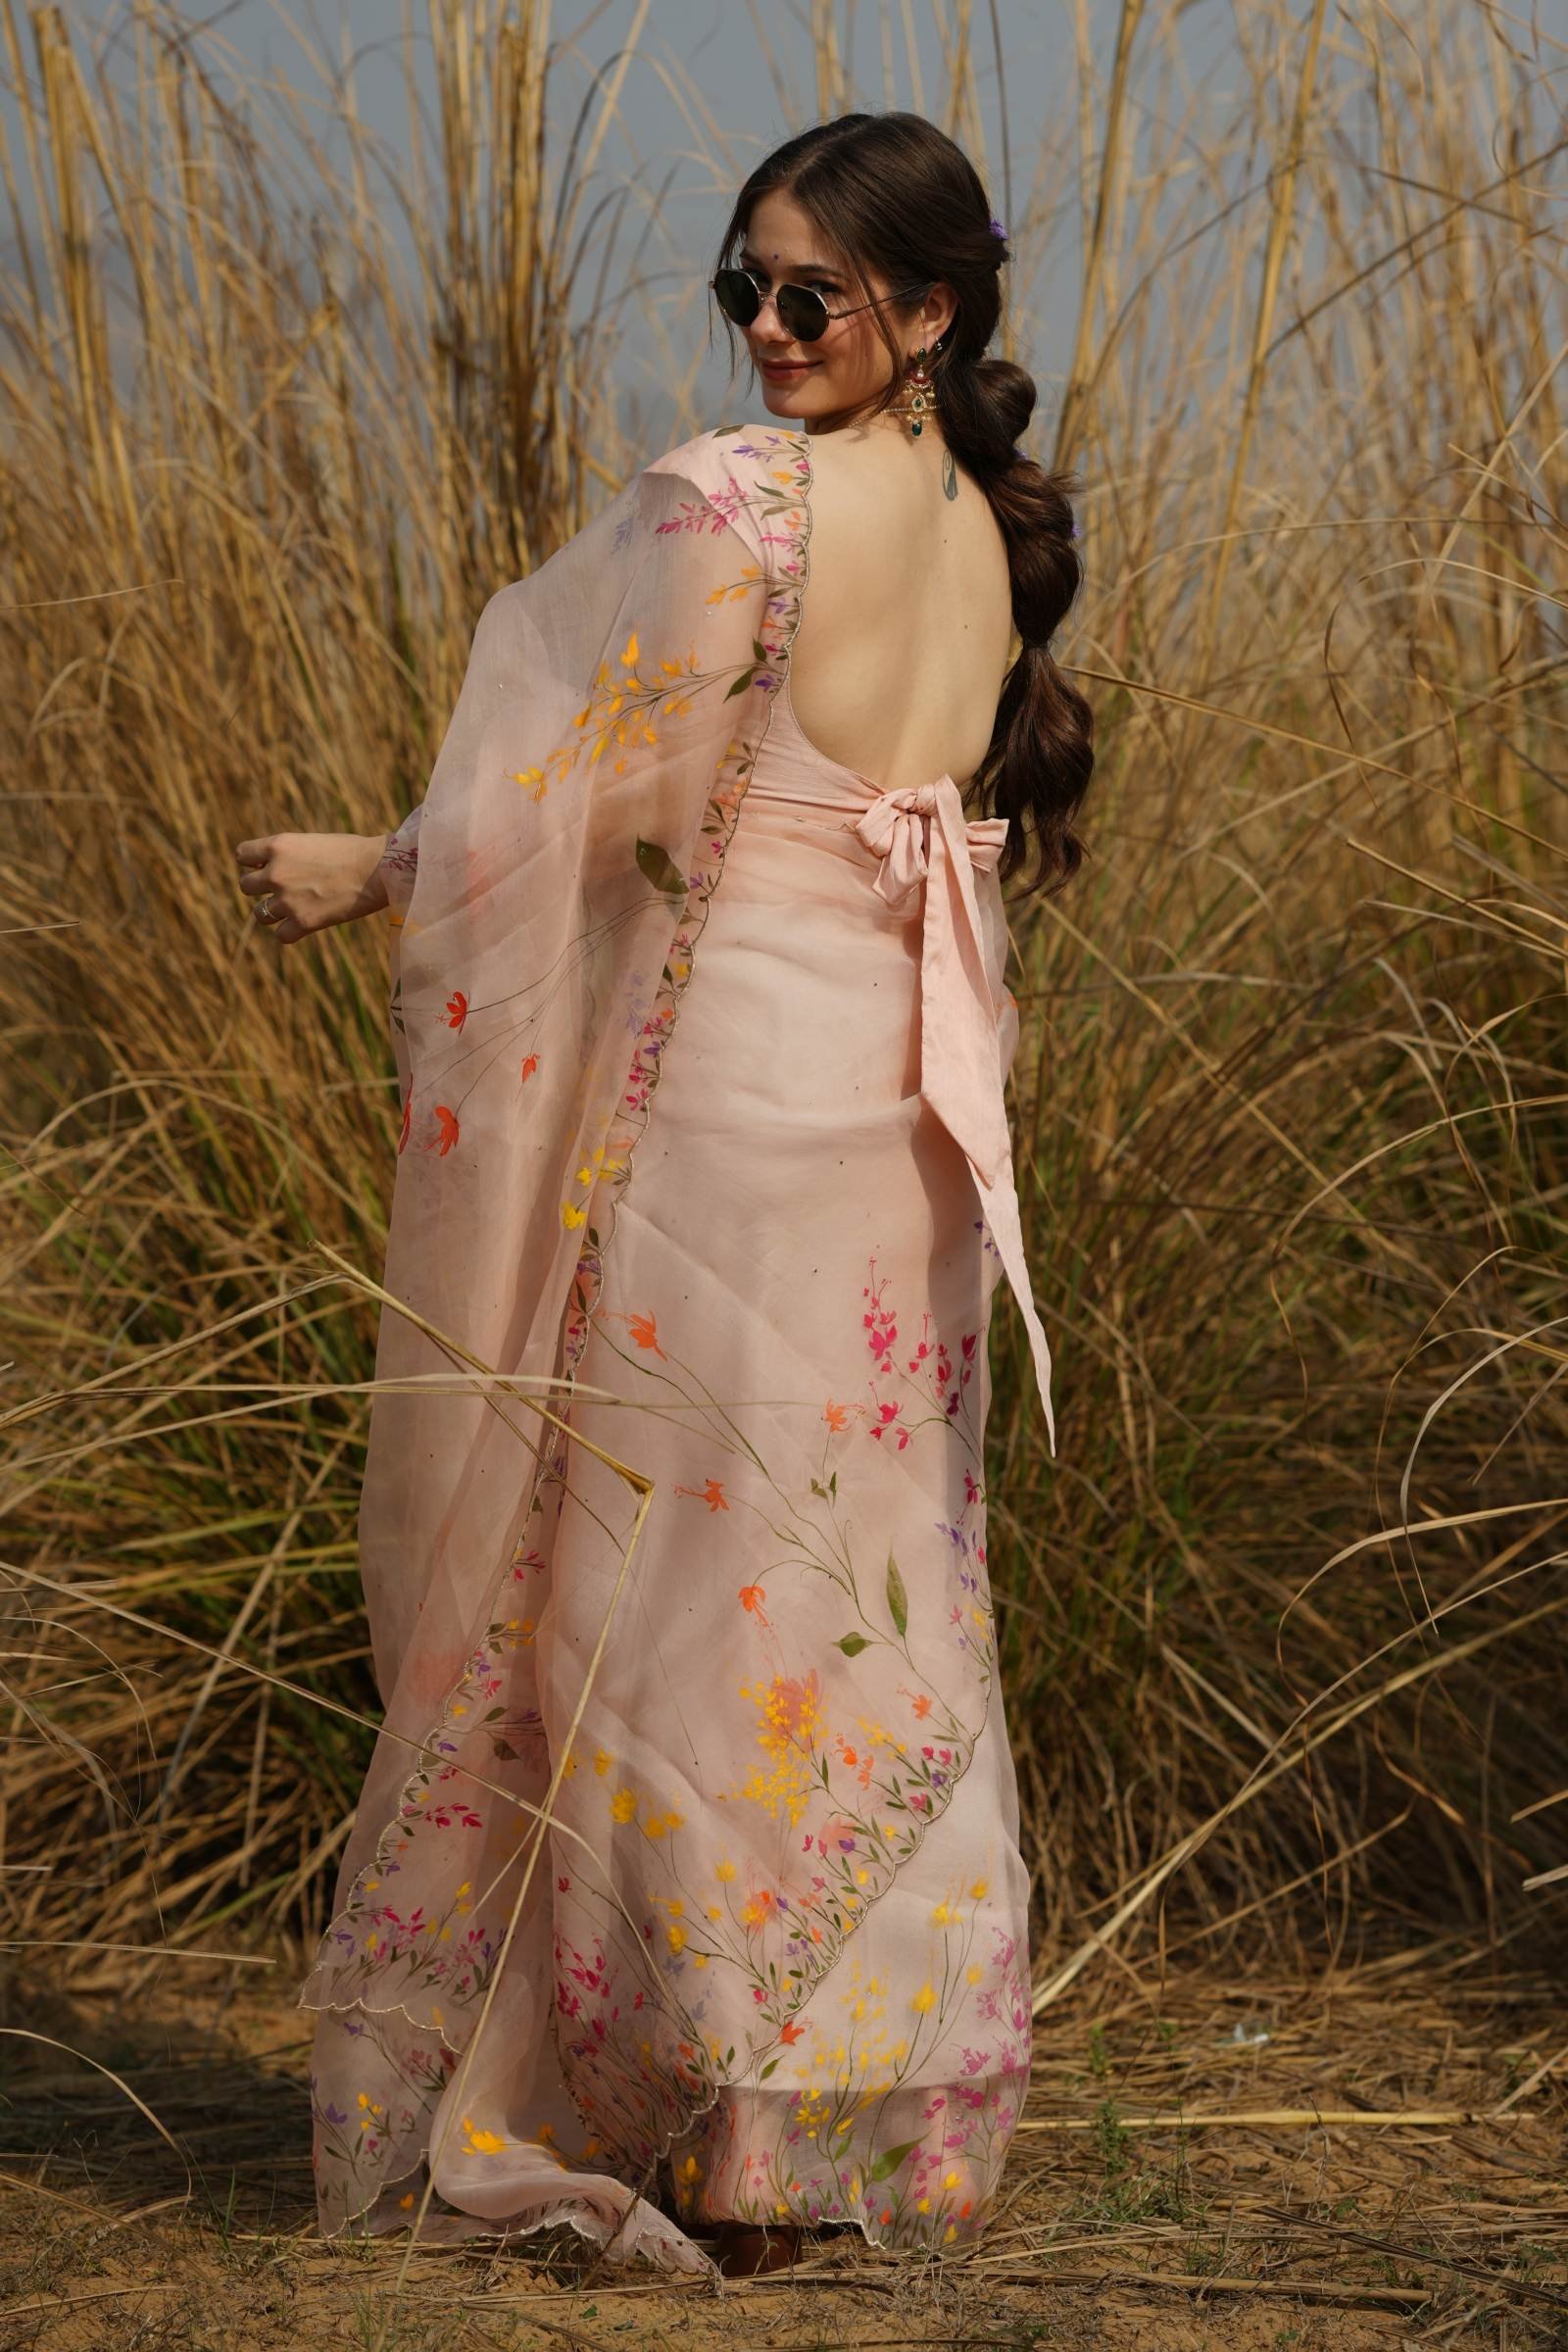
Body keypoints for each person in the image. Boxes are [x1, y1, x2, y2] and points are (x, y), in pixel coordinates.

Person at [234, 111, 1093, 2283]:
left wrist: (377, 867)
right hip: (912, 1111)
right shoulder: (986, 528)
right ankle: (829, 2097)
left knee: (679, 1593)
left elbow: (581, 795)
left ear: (927, 311)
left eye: (810, 294)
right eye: (742, 288)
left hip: (737, 1110)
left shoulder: (741, 504)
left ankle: (697, 2101)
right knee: (862, 1587)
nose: (766, 329)